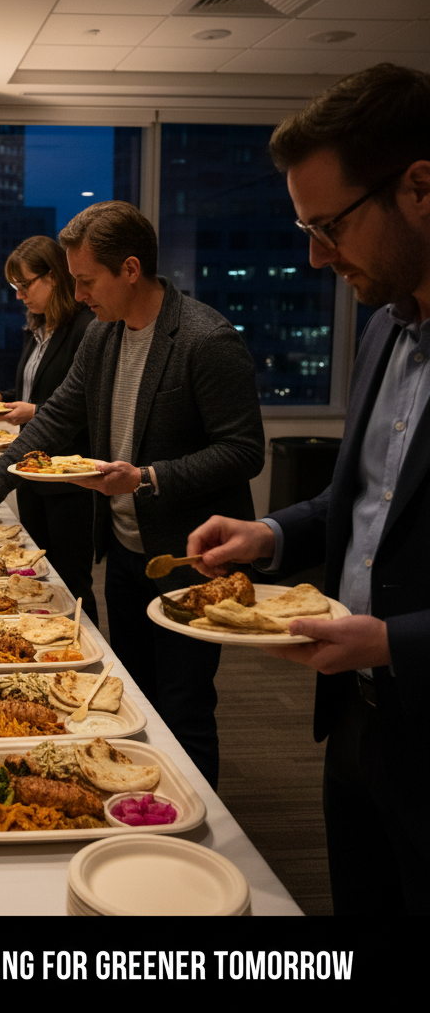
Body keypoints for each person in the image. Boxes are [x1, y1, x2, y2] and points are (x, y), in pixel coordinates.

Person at [186, 63, 430, 915]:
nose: (316, 257)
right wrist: (272, 536)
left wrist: (393, 642)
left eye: (329, 225)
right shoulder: (384, 333)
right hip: (354, 725)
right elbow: (362, 508)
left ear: (420, 187)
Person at [0, 200, 264, 789]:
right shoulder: (102, 334)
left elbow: (244, 451)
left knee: (184, 703)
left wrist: (146, 477)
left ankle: (197, 834)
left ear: (131, 270)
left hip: (189, 556)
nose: (79, 292)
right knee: (130, 695)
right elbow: (53, 421)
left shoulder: (205, 338)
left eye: (86, 280)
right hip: (125, 551)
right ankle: (141, 805)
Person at [0, 236, 97, 625]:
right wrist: (5, 398)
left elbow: (85, 406)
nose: (20, 295)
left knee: (71, 579)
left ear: (54, 278)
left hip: (70, 478)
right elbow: (41, 392)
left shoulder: (85, 330)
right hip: (33, 472)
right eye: (15, 287)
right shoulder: (40, 330)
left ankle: (81, 646)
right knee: (43, 574)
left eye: (25, 285)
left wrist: (32, 410)